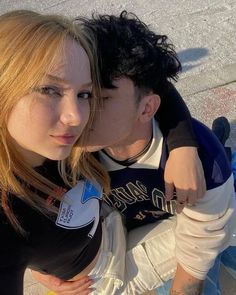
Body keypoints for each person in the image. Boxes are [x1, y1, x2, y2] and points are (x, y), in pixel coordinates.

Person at [32, 11, 236, 295]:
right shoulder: (63, 147)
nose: (77, 115)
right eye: (82, 94)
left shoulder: (203, 162)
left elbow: (198, 252)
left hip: (196, 204)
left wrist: (189, 148)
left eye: (101, 98)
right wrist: (38, 266)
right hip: (136, 228)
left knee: (225, 233)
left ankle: (226, 155)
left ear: (147, 108)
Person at [0, 9, 110, 295]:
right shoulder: (5, 213)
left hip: (115, 218)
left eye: (84, 94)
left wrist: (184, 143)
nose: (76, 117)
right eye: (49, 90)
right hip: (104, 273)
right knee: (212, 213)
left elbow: (148, 73)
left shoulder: (68, 142)